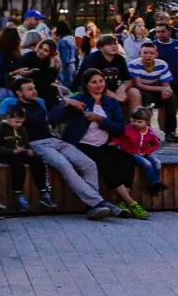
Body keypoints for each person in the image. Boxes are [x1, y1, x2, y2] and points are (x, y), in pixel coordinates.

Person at [6, 79, 117, 220]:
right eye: (29, 89)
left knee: (89, 164)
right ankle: (98, 203)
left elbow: (53, 119)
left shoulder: (39, 103)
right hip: (36, 144)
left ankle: (92, 205)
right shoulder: (16, 109)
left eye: (34, 88)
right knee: (64, 165)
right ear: (19, 93)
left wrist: (66, 103)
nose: (34, 91)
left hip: (54, 140)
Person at [60, 68, 143, 217]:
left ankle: (120, 201)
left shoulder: (111, 102)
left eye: (101, 81)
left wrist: (101, 120)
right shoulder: (79, 99)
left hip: (104, 143)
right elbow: (54, 117)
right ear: (86, 85)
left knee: (127, 159)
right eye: (94, 82)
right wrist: (66, 103)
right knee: (103, 162)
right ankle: (130, 202)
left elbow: (120, 129)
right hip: (81, 143)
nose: (99, 85)